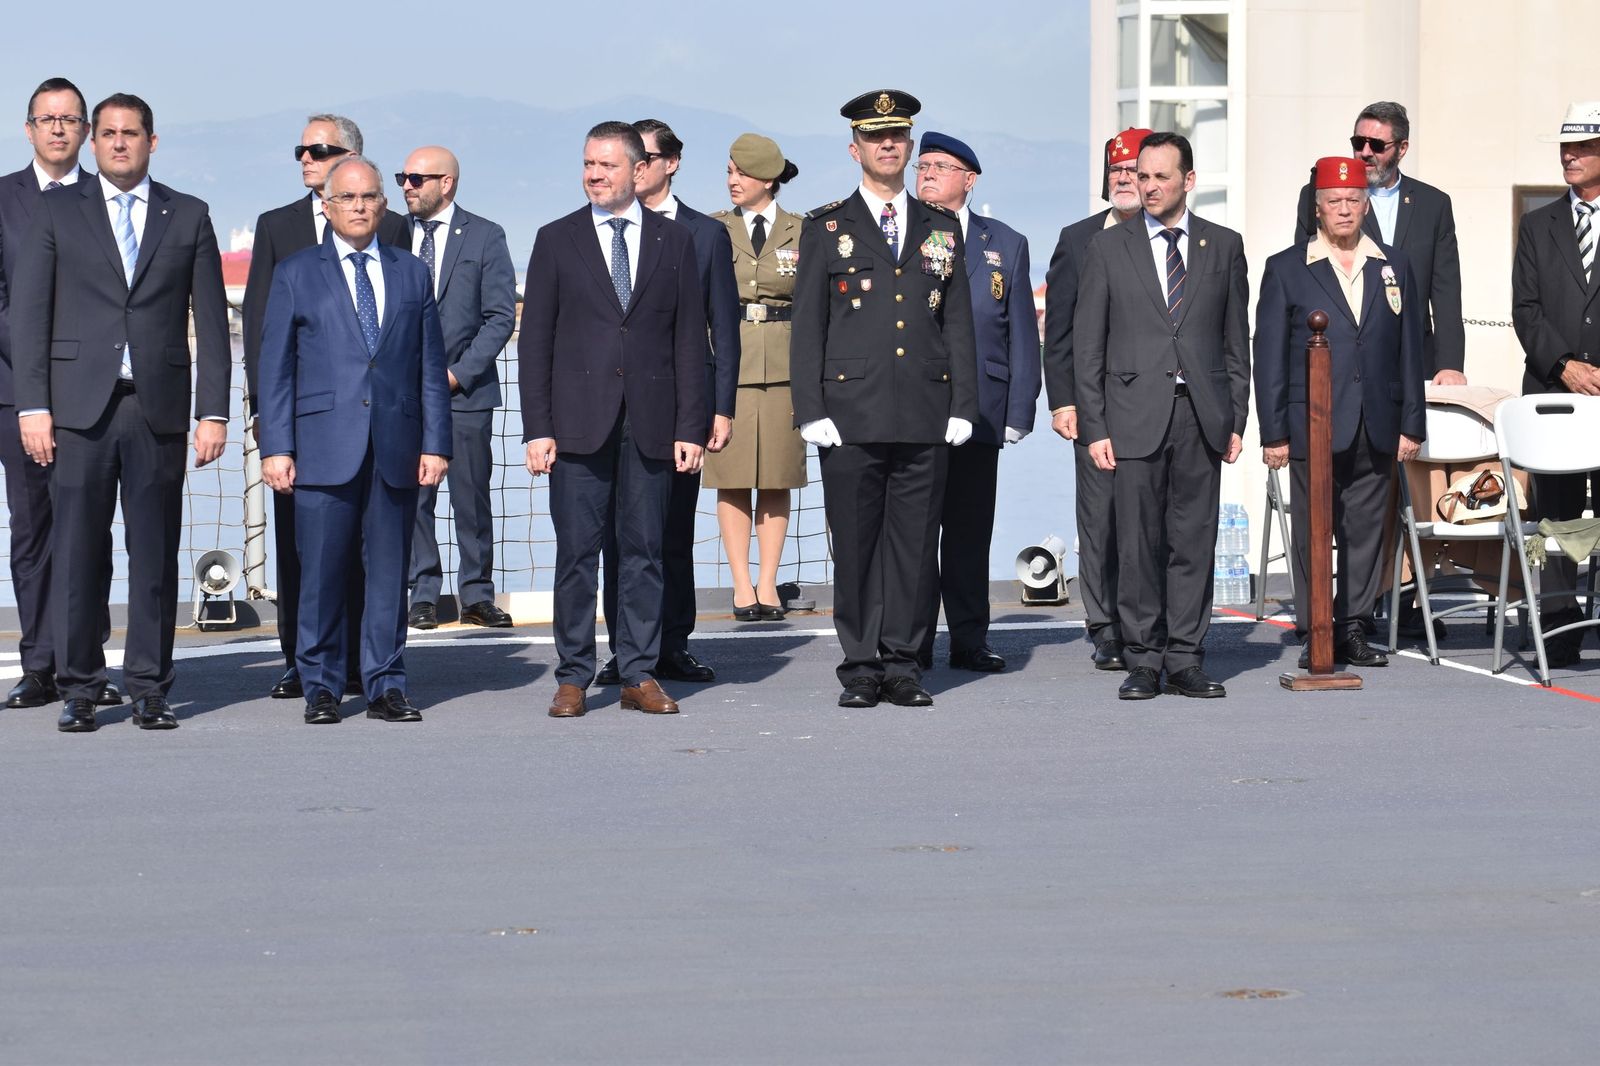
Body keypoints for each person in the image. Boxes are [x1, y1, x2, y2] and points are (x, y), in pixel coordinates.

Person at [11, 92, 231, 732]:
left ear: (151, 142)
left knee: (156, 554)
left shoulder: (187, 214)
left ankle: (150, 688)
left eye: (129, 134)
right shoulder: (56, 210)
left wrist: (212, 411)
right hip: (77, 412)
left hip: (156, 410)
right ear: (92, 140)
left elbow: (213, 325)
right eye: (106, 133)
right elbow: (31, 317)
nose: (117, 144)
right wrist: (34, 407)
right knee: (78, 551)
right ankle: (81, 686)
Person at [790, 90, 978, 709]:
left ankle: (903, 663)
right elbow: (809, 325)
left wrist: (962, 405)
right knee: (857, 543)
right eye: (875, 137)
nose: (888, 144)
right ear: (855, 149)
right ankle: (862, 665)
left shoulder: (940, 227)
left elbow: (956, 324)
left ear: (910, 144)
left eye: (897, 135)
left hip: (926, 409)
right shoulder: (826, 228)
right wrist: (810, 410)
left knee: (916, 544)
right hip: (850, 413)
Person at [519, 121, 706, 720]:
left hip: (652, 422)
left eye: (606, 166)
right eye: (587, 165)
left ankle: (638, 673)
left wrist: (690, 427)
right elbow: (536, 342)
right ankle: (573, 675)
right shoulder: (555, 239)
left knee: (645, 551)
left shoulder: (674, 242)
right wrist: (537, 427)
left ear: (637, 170)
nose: (594, 175)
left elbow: (687, 340)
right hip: (575, 424)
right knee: (577, 551)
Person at [257, 155, 451, 725]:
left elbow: (428, 364)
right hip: (319, 448)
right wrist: (276, 447)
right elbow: (276, 369)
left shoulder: (411, 272)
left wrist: (435, 443)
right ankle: (319, 684)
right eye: (347, 198)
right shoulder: (296, 272)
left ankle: (386, 683)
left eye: (369, 197)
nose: (360, 207)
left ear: (384, 205)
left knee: (390, 574)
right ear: (327, 205)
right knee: (319, 572)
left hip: (396, 447)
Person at [1075, 131, 1250, 701]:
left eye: (1159, 178)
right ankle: (1143, 658)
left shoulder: (1223, 246)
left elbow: (1234, 343)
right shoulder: (1108, 247)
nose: (1146, 187)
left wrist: (1236, 418)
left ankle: (1186, 658)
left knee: (1192, 541)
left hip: (1201, 415)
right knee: (1138, 542)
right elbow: (1088, 347)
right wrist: (1095, 426)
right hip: (1130, 417)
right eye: (1141, 176)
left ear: (1187, 181)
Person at [241, 113, 411, 700]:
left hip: (382, 430)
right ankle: (307, 666)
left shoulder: (392, 235)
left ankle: (371, 668)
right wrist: (270, 428)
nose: (308, 157)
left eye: (321, 148)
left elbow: (405, 340)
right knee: (305, 555)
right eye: (302, 149)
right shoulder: (277, 229)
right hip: (306, 430)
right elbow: (267, 335)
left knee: (378, 560)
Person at [1256, 156, 1425, 668]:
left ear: (1366, 204)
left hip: (1378, 420)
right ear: (1319, 206)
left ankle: (1353, 626)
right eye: (1335, 201)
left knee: (1366, 531)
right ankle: (1317, 629)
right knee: (1314, 531)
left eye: (1354, 200)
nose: (1345, 210)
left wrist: (1411, 423)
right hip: (1313, 424)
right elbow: (1268, 357)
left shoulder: (1393, 264)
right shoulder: (1287, 267)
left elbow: (1411, 349)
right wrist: (1274, 432)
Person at [590, 119, 738, 686]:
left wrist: (719, 409)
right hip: (609, 408)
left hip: (680, 407)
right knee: (613, 535)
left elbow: (722, 330)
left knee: (670, 532)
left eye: (647, 158)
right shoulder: (598, 230)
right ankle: (626, 647)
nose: (639, 167)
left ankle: (671, 642)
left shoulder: (703, 235)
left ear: (669, 163)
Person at [0, 77, 120, 711]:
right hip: (17, 389)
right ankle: (39, 663)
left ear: (85, 132)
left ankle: (87, 661)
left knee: (88, 528)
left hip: (90, 394)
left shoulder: (107, 199)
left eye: (70, 119)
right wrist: (35, 363)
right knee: (33, 527)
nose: (57, 128)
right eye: (46, 119)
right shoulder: (3, 199)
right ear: (28, 129)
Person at [912, 130, 1040, 673]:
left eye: (941, 166)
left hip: (983, 407)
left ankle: (968, 639)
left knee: (968, 532)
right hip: (914, 405)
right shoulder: (900, 234)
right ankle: (911, 643)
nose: (928, 174)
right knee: (914, 534)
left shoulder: (1004, 242)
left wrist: (1019, 411)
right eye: (923, 165)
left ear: (970, 179)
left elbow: (1020, 335)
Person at [1041, 127, 1152, 673]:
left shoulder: (1174, 238)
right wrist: (1063, 401)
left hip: (1160, 403)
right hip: (1097, 402)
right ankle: (1105, 625)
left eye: (1134, 171)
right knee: (1101, 519)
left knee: (1153, 519)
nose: (1125, 180)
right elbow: (1058, 329)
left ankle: (1148, 624)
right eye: (1117, 173)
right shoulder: (1078, 238)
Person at [395, 146, 517, 633]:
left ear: (446, 183)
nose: (407, 185)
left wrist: (457, 373)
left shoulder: (486, 236)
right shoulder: (390, 235)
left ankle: (476, 594)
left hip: (465, 394)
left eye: (418, 178)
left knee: (471, 496)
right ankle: (423, 592)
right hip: (402, 392)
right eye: (403, 176)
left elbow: (500, 317)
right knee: (413, 496)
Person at [1511, 100, 1600, 667]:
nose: (1570, 155)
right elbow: (1525, 308)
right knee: (1559, 518)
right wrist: (1565, 365)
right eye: (1565, 146)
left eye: (1583, 146)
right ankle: (1561, 626)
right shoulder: (1537, 223)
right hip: (1555, 396)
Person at [704, 133, 807, 621]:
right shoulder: (711, 230)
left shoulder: (803, 232)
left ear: (768, 178)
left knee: (777, 478)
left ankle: (768, 583)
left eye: (741, 173)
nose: (732, 182)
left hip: (787, 364)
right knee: (732, 476)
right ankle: (741, 585)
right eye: (729, 172)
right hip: (730, 361)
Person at [1293, 102, 1464, 386]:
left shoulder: (1434, 205)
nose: (1365, 153)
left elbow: (1446, 291)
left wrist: (1450, 365)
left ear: (1402, 148)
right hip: (1344, 363)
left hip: (1413, 362)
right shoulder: (1321, 197)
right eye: (1359, 143)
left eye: (1376, 144)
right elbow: (1306, 278)